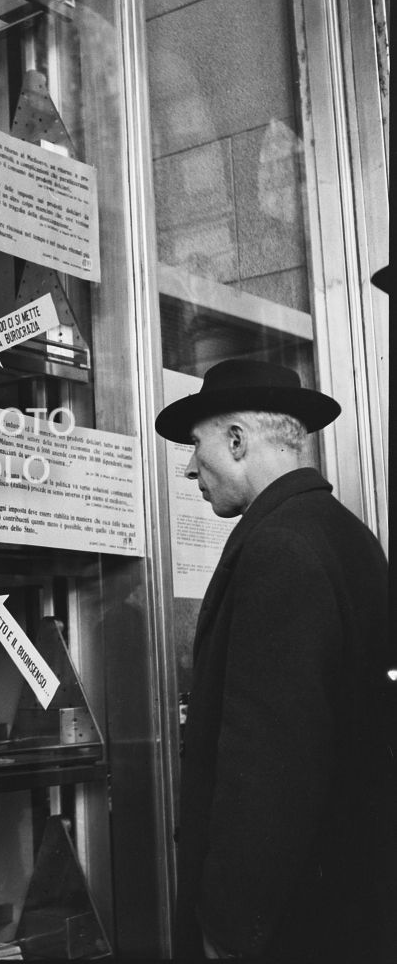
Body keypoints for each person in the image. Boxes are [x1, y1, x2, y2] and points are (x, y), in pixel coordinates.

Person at [154, 359, 393, 962]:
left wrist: (231, 927)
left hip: (294, 923)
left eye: (195, 444)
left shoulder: (280, 546)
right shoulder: (343, 534)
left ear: (235, 441)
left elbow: (269, 762)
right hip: (345, 901)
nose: (188, 467)